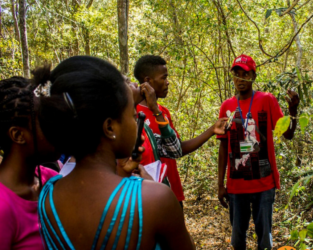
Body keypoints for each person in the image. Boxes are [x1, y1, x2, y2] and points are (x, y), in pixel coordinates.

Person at [35, 56, 194, 249]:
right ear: (110, 127)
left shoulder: (47, 194)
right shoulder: (155, 199)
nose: (136, 124)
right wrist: (152, 186)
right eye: (133, 116)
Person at [217, 54, 299, 250]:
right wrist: (220, 184)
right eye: (236, 74)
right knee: (238, 240)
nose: (239, 79)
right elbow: (223, 146)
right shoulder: (227, 106)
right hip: (236, 187)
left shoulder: (267, 100)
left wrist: (293, 111)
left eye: (244, 74)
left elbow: (287, 134)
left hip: (264, 185)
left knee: (265, 240)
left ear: (253, 76)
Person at [134, 55, 227, 205]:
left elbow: (177, 149)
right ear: (148, 81)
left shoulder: (163, 112)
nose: (167, 82)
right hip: (146, 195)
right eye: (163, 78)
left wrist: (211, 130)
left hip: (171, 190)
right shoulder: (133, 113)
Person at [0, 76, 59, 249]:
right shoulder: (3, 206)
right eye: (45, 121)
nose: (56, 128)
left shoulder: (50, 180)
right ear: (18, 135)